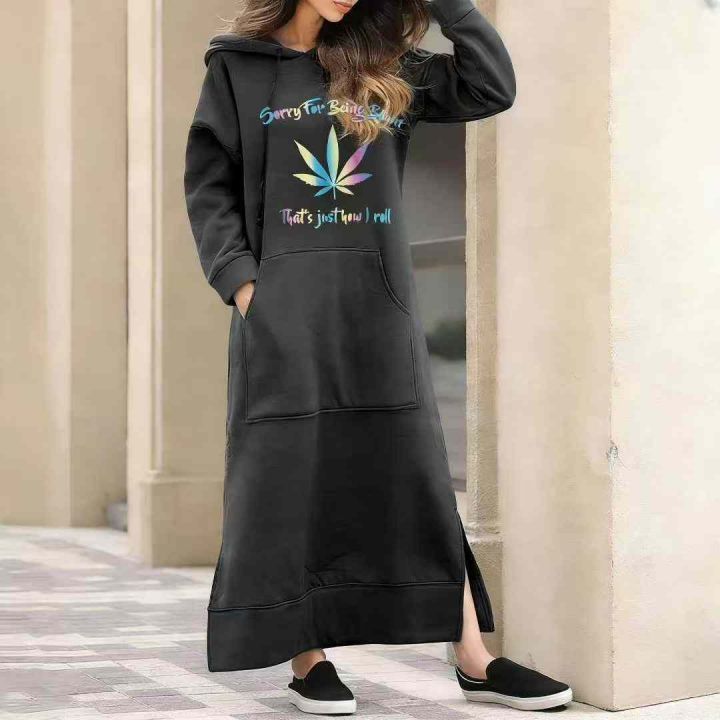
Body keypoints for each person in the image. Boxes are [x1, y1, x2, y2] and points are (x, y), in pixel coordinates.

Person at [185, 0, 572, 714]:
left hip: (378, 310)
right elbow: (209, 183)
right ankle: (308, 662)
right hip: (284, 318)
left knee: (415, 473)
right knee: (290, 479)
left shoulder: (385, 65)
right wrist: (243, 286)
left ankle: (475, 659)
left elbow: (491, 86)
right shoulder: (238, 67)